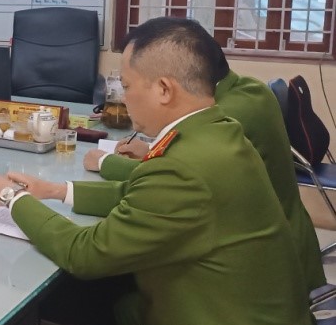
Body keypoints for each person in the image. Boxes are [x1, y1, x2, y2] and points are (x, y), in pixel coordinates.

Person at [0, 17, 329, 325]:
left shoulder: (186, 165)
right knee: (127, 309)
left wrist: (13, 199)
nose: (123, 98)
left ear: (164, 89)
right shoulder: (216, 131)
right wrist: (56, 191)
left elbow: (86, 254)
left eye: (127, 86)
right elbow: (143, 192)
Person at [83, 20, 324, 293]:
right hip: (272, 233)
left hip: (261, 264)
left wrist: (104, 162)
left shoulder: (226, 115)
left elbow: (176, 177)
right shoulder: (248, 88)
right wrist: (150, 151)